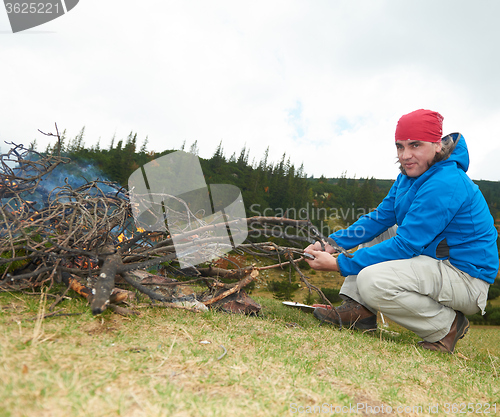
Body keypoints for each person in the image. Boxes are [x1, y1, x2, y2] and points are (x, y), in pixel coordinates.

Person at [304, 109, 499, 354]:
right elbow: (379, 218)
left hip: (466, 278)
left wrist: (338, 264)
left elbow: (406, 246)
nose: (406, 155)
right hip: (435, 261)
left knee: (372, 280)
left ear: (436, 145)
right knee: (381, 229)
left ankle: (447, 327)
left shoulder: (446, 182)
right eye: (400, 146)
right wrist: (330, 243)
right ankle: (359, 310)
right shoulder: (409, 176)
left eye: (415, 145)